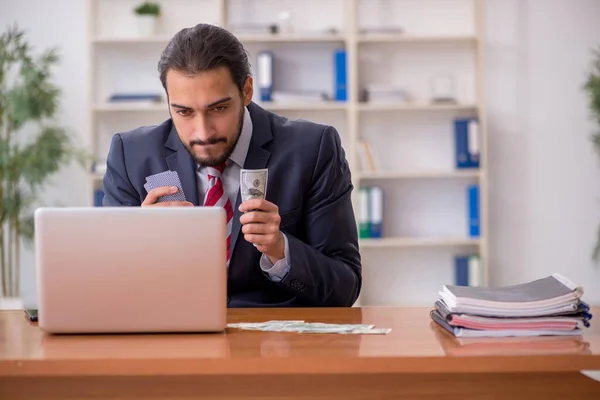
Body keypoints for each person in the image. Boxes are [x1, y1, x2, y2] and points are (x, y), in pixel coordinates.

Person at [102, 23, 361, 308]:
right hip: (173, 335)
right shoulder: (131, 155)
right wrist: (141, 244)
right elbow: (110, 288)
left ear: (247, 91)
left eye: (218, 108)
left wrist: (279, 249)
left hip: (277, 342)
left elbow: (344, 287)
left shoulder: (312, 148)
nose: (202, 133)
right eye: (184, 112)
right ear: (168, 102)